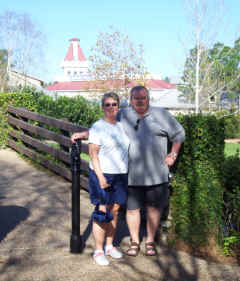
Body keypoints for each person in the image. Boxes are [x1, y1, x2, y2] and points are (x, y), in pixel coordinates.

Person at [72, 86, 185, 257]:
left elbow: (179, 134)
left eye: (143, 98)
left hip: (156, 173)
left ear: (149, 98)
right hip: (130, 174)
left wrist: (174, 154)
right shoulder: (123, 114)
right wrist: (83, 134)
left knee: (154, 209)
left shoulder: (162, 114)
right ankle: (133, 241)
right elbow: (103, 127)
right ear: (131, 100)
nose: (140, 101)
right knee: (132, 210)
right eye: (136, 98)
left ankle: (149, 242)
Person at [87, 92, 130, 266]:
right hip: (103, 174)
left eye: (114, 104)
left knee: (115, 210)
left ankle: (110, 246)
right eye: (107, 104)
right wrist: (100, 177)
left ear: (118, 107)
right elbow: (93, 153)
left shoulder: (121, 126)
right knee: (102, 211)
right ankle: (98, 251)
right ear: (102, 107)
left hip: (121, 174)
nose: (111, 107)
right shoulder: (97, 127)